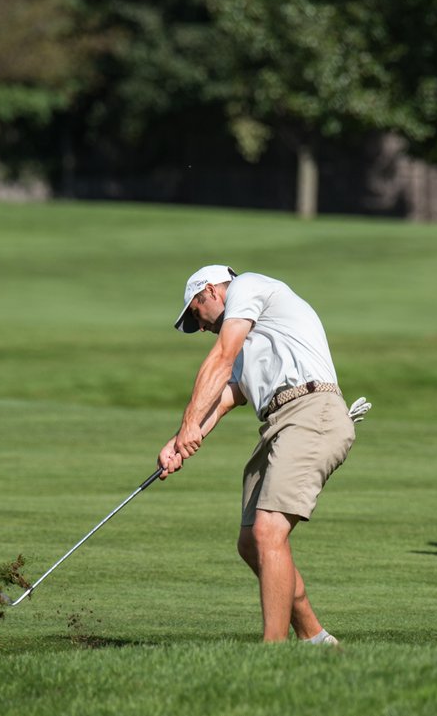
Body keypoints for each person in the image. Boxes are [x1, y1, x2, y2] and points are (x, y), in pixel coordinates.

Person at [159, 265, 356, 644]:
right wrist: (179, 441)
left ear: (212, 291)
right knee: (251, 541)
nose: (201, 328)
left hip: (311, 410)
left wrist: (188, 423)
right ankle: (316, 640)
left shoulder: (248, 286)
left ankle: (271, 654)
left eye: (197, 315)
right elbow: (228, 397)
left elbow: (220, 357)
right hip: (278, 423)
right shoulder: (254, 340)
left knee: (269, 531)